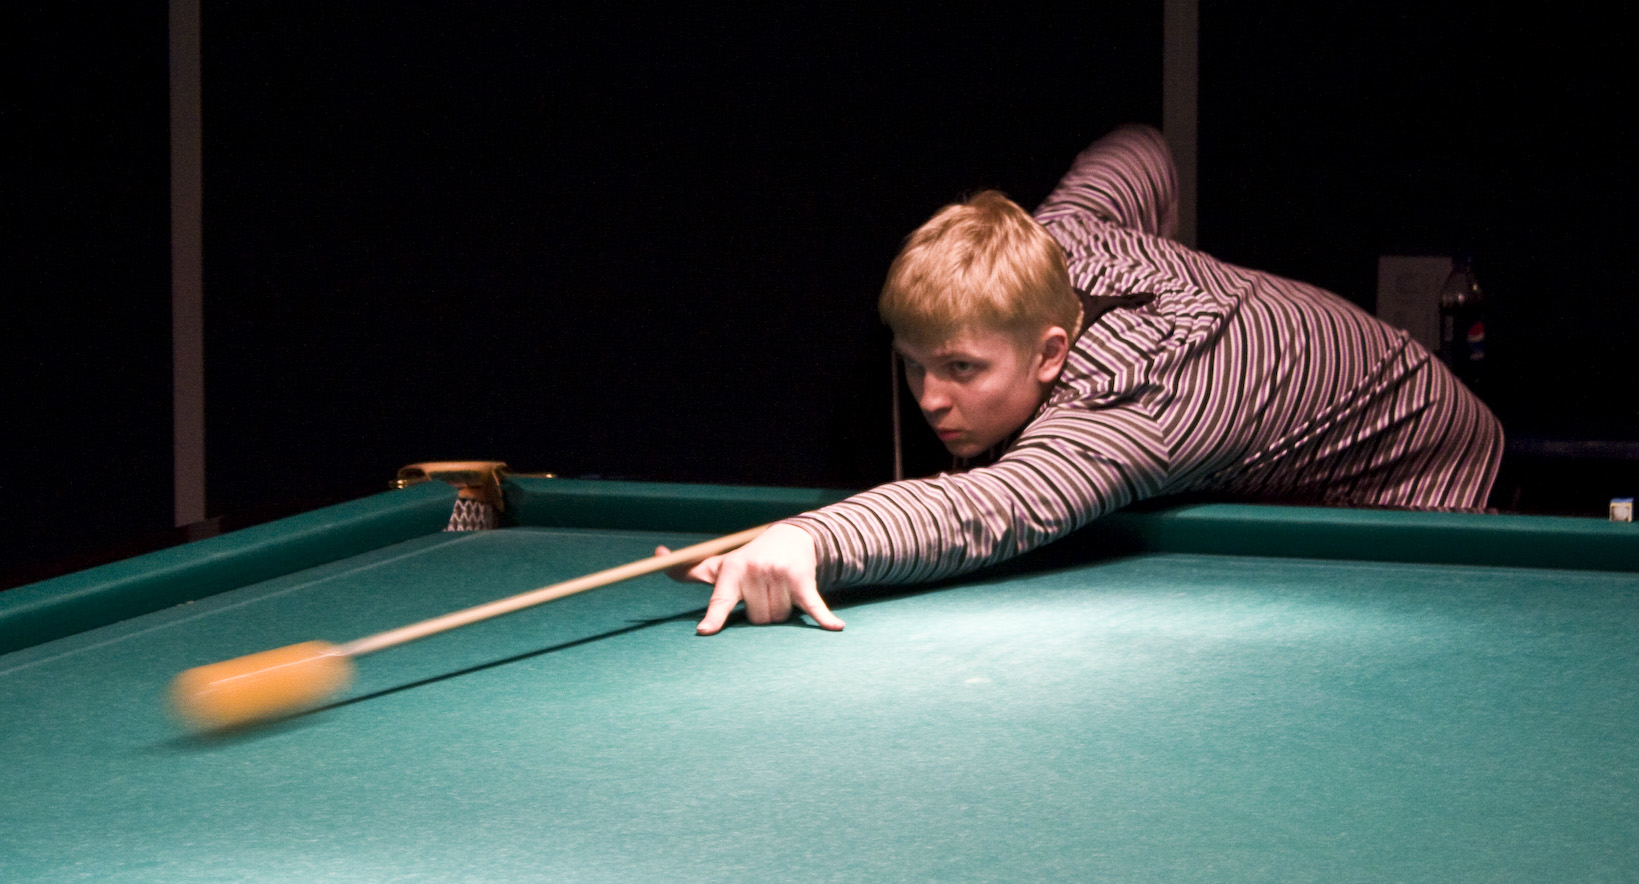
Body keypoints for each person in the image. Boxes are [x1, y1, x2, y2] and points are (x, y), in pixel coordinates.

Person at [662, 124, 1503, 636]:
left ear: (1052, 351)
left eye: (961, 368)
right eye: (913, 364)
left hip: (1423, 469)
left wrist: (811, 540)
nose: (929, 399)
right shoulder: (1057, 239)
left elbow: (985, 508)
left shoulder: (1130, 405)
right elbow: (1139, 148)